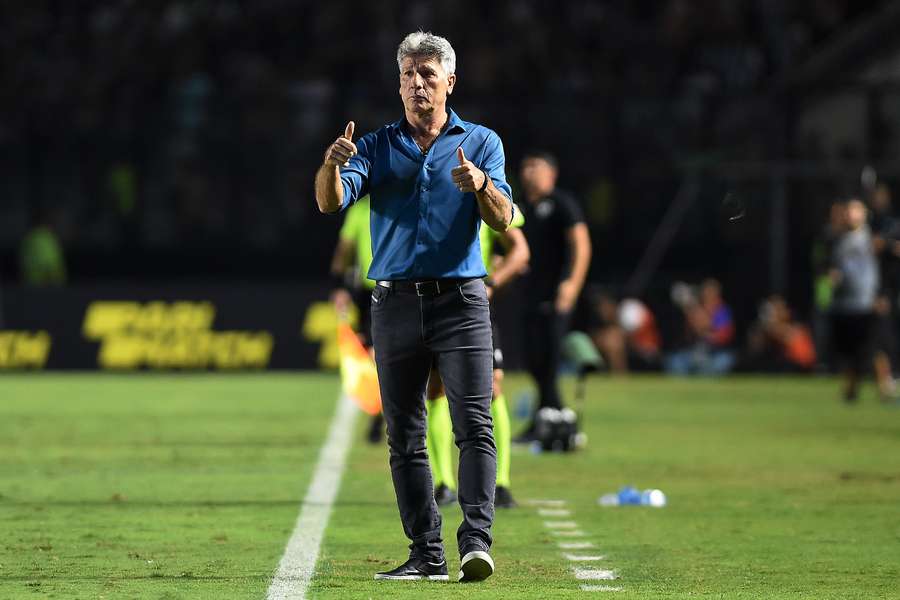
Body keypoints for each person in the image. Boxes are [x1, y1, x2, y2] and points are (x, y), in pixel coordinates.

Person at [314, 31, 513, 583]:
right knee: (403, 433)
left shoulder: (481, 142)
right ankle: (426, 553)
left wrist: (480, 185)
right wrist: (332, 164)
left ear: (450, 81)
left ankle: (476, 542)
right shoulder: (375, 146)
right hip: (395, 303)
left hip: (462, 301)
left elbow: (502, 218)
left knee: (474, 424)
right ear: (398, 83)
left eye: (427, 74)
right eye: (408, 74)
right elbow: (329, 202)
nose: (417, 84)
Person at [427, 204, 529, 509]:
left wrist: (492, 282)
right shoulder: (422, 184)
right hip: (427, 301)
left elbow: (520, 251)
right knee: (436, 389)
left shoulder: (484, 191)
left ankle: (501, 483)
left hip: (471, 304)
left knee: (492, 387)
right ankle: (444, 482)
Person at [515, 152, 592, 442]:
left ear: (551, 173)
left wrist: (571, 284)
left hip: (554, 292)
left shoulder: (562, 203)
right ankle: (554, 417)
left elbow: (581, 246)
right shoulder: (520, 204)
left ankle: (548, 420)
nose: (528, 172)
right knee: (532, 357)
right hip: (528, 292)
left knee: (548, 358)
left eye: (535, 166)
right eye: (525, 166)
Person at [330, 195, 387, 443]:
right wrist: (339, 286)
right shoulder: (360, 210)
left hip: (402, 285)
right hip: (370, 291)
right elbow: (345, 249)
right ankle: (381, 413)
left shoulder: (400, 200)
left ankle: (388, 413)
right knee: (376, 357)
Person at [830, 198, 880, 402]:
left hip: (865, 302)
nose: (851, 215)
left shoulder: (872, 238)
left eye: (856, 211)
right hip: (844, 303)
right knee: (848, 351)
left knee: (871, 347)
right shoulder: (839, 239)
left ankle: (884, 386)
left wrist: (881, 293)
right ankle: (851, 388)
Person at [665, 279, 736, 376]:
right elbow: (690, 334)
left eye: (711, 292)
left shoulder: (722, 310)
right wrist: (689, 310)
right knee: (674, 362)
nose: (708, 295)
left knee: (721, 363)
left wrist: (706, 331)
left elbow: (724, 336)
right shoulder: (696, 308)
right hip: (695, 353)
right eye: (706, 292)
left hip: (715, 353)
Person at [591, 293, 661, 373]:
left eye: (603, 309)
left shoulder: (628, 309)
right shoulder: (614, 318)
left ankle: (620, 376)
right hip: (632, 345)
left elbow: (632, 335)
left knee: (613, 341)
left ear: (610, 304)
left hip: (647, 346)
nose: (602, 314)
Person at [744, 294, 816, 372]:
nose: (772, 315)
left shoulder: (796, 328)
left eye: (775, 311)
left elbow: (784, 336)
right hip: (782, 367)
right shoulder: (765, 330)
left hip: (800, 368)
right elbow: (754, 349)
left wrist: (768, 324)